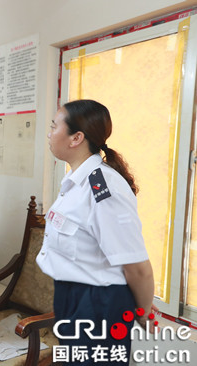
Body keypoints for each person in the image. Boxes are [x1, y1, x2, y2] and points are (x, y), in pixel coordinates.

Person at [36, 99, 155, 365]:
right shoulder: (74, 182)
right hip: (72, 297)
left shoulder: (102, 187)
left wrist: (143, 312)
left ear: (76, 138)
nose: (49, 132)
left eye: (54, 126)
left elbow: (137, 267)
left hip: (99, 304)